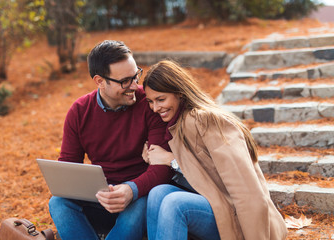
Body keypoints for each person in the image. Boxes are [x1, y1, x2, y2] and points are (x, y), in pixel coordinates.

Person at [142, 60, 288, 240]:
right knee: (158, 194)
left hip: (239, 219)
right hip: (217, 206)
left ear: (179, 93)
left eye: (161, 99)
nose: (155, 108)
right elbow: (202, 180)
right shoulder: (177, 125)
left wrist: (172, 160)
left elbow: (246, 190)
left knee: (175, 204)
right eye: (150, 101)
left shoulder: (208, 121)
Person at [48, 40, 173, 240]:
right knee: (58, 202)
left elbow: (162, 167)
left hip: (139, 196)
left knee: (142, 204)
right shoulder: (80, 112)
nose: (135, 85)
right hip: (99, 199)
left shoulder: (149, 104)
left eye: (136, 76)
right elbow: (68, 167)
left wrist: (131, 190)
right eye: (125, 81)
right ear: (99, 81)